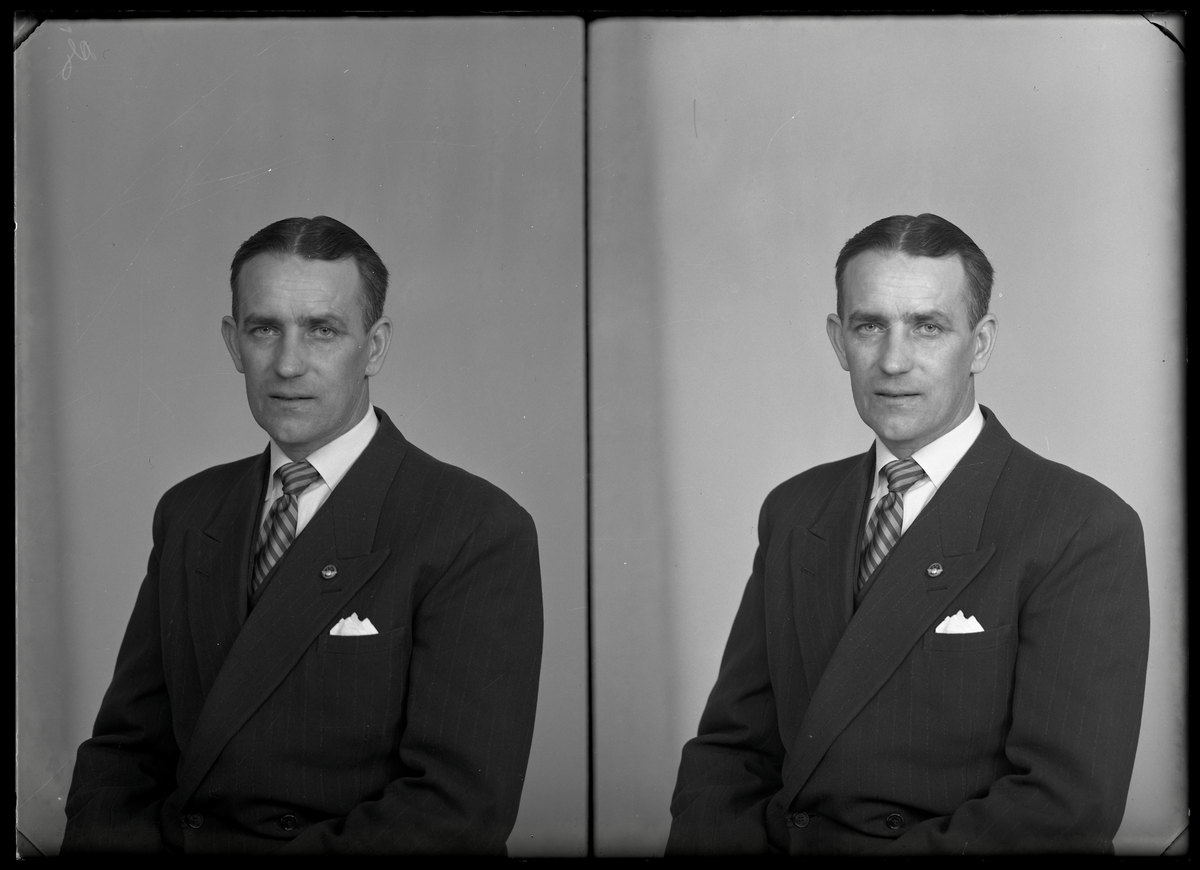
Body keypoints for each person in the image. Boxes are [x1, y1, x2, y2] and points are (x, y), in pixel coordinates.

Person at [666, 213, 1150, 855]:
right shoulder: (794, 509)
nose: (894, 361)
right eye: (870, 326)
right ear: (839, 341)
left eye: (928, 326)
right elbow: (732, 753)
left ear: (980, 344)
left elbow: (1062, 808)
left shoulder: (1080, 525)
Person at [62, 216, 544, 854]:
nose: (288, 365)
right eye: (265, 329)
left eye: (322, 330)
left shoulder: (474, 528)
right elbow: (125, 757)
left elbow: (456, 811)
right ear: (233, 344)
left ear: (374, 347)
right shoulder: (189, 511)